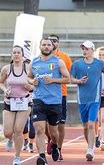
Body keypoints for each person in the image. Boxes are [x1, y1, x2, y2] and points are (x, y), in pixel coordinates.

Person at [28, 37, 70, 165]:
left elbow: (67, 79)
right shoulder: (34, 62)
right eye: (44, 44)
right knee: (40, 130)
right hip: (38, 100)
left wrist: (53, 80)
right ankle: (42, 157)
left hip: (54, 101)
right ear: (40, 46)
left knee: (53, 132)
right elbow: (29, 78)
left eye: (48, 45)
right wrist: (32, 81)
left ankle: (55, 145)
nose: (46, 47)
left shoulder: (58, 62)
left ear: (52, 47)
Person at [70, 41, 104, 161]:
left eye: (87, 49)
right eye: (83, 48)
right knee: (85, 126)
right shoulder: (77, 64)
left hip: (95, 99)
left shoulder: (99, 63)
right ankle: (90, 146)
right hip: (82, 100)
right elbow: (71, 78)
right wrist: (78, 81)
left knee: (92, 125)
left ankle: (90, 150)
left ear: (92, 50)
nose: (84, 51)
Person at [0, 45, 33, 165]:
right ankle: (10, 139)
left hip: (24, 102)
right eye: (14, 52)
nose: (16, 54)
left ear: (22, 55)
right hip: (10, 102)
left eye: (18, 52)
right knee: (8, 132)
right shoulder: (6, 69)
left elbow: (35, 85)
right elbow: (0, 83)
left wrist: (30, 87)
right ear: (12, 55)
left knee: (18, 130)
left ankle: (17, 157)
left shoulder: (28, 69)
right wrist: (4, 90)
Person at [48, 34, 72, 161]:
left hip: (61, 95)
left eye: (55, 41)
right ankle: (50, 139)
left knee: (61, 125)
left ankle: (59, 149)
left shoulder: (65, 57)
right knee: (46, 125)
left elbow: (68, 76)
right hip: (46, 96)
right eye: (50, 41)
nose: (52, 43)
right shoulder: (41, 58)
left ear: (58, 43)